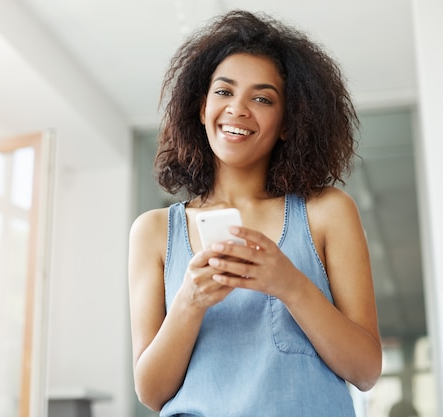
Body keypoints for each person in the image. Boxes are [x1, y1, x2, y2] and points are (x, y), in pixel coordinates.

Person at [128, 9, 382, 416]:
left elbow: (366, 370)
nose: (238, 109)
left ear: (287, 123)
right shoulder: (155, 231)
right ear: (200, 107)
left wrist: (290, 286)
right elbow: (151, 392)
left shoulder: (327, 212)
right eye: (224, 92)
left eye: (262, 98)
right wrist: (190, 302)